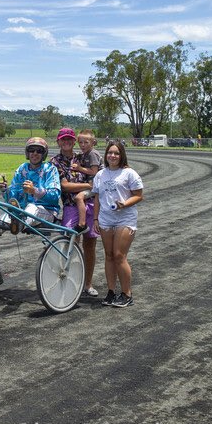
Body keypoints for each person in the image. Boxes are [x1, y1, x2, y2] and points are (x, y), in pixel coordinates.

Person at [0, 136, 61, 292]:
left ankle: (18, 222)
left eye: (39, 151)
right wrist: (5, 191)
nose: (35, 153)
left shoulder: (50, 169)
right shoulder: (21, 169)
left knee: (30, 208)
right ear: (27, 153)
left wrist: (35, 191)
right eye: (31, 150)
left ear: (43, 154)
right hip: (20, 212)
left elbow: (55, 195)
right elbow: (12, 198)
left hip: (45, 211)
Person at [92, 140, 143, 308]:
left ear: (121, 156)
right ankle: (111, 292)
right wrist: (95, 219)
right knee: (108, 255)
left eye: (116, 153)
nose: (112, 156)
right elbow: (97, 197)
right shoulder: (101, 174)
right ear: (105, 155)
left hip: (125, 218)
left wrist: (125, 204)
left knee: (119, 255)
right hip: (106, 218)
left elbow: (138, 195)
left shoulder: (129, 173)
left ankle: (127, 294)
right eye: (110, 153)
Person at [50, 127, 100, 297]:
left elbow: (96, 173)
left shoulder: (83, 157)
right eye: (63, 139)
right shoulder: (55, 162)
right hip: (71, 206)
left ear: (74, 141)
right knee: (68, 242)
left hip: (91, 204)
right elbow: (65, 186)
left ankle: (87, 284)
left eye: (70, 139)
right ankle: (69, 280)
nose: (67, 142)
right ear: (58, 142)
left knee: (90, 245)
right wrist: (89, 186)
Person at [70, 129, 102, 231]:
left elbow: (94, 171)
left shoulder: (92, 154)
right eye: (80, 142)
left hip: (97, 184)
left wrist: (79, 168)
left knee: (79, 197)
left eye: (86, 142)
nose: (83, 145)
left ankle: (82, 223)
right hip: (92, 183)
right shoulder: (85, 153)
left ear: (93, 143)